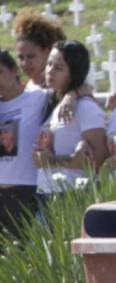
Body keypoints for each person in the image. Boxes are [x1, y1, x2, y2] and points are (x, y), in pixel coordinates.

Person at [0, 50, 47, 252]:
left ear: (14, 70)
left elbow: (73, 90)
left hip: (26, 189)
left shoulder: (38, 98)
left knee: (23, 257)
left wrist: (73, 96)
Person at [33, 41, 108, 196]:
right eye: (49, 64)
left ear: (74, 73)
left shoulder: (85, 107)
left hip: (72, 193)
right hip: (46, 193)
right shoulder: (54, 104)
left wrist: (52, 160)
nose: (50, 71)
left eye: (59, 68)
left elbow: (100, 157)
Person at [13, 8, 66, 90]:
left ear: (47, 52)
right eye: (21, 57)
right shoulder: (23, 89)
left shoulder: (62, 89)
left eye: (30, 56)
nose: (25, 63)